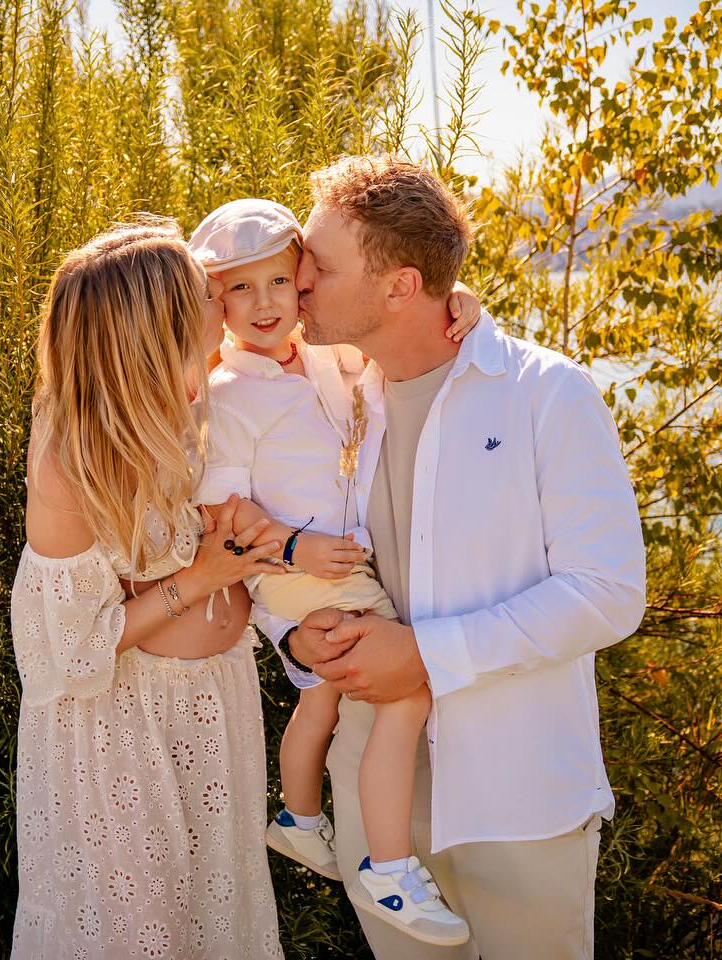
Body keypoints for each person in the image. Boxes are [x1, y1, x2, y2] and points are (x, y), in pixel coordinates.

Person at [254, 156, 647, 960]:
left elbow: (608, 592)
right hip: (374, 801)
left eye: (318, 268)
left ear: (400, 286)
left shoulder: (547, 393)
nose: (296, 285)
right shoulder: (320, 394)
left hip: (519, 798)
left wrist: (427, 657)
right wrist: (287, 637)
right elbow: (266, 534)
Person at [188, 198, 479, 946]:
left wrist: (463, 301)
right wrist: (292, 547)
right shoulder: (227, 392)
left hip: (323, 565)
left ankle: (298, 815)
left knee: (320, 698)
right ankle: (387, 867)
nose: (264, 304)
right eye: (241, 289)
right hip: (298, 567)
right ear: (214, 301)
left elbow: (399, 334)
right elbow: (219, 508)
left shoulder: (322, 358)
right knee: (409, 690)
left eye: (279, 283)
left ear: (302, 284)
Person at [10, 218, 286, 959]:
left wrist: (459, 306)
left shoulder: (193, 401)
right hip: (123, 735)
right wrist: (203, 578)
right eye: (205, 297)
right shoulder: (72, 456)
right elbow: (67, 652)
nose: (222, 309)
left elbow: (317, 347)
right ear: (151, 330)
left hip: (212, 715)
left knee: (211, 930)